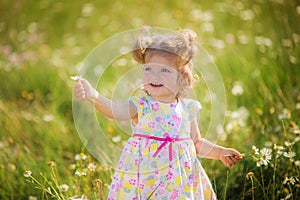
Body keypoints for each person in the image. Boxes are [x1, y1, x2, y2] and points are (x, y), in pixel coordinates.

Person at [74, 28, 242, 199]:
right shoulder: (141, 106)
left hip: (179, 182)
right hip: (146, 180)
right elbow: (115, 111)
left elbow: (197, 142)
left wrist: (220, 152)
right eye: (148, 69)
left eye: (164, 71)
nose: (155, 75)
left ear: (183, 77)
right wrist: (93, 95)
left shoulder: (188, 108)